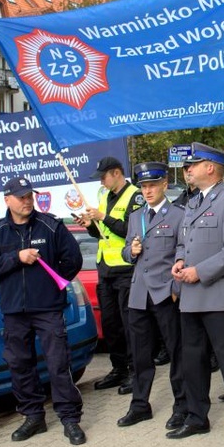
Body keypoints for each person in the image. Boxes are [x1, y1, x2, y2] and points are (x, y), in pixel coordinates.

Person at [0, 178, 86, 445]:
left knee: (58, 363)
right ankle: (33, 417)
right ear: (7, 200)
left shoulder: (51, 225)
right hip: (14, 311)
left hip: (48, 308)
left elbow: (73, 259)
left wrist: (54, 286)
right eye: (21, 196)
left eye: (29, 196)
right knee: (20, 365)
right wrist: (16, 258)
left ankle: (70, 419)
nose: (27, 200)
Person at [168, 142, 224, 447]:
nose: (187, 170)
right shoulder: (192, 202)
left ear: (210, 168)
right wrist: (179, 260)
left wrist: (199, 271)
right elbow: (184, 242)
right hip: (191, 297)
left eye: (192, 165)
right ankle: (196, 417)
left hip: (219, 297)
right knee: (193, 361)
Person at [116, 162, 187, 431]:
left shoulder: (178, 214)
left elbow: (184, 251)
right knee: (140, 354)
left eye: (152, 185)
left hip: (165, 293)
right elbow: (125, 252)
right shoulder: (136, 216)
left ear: (164, 185)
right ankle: (139, 405)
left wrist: (175, 290)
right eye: (144, 186)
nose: (147, 191)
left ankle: (182, 405)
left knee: (176, 351)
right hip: (138, 294)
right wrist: (130, 252)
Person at [79, 156, 144, 393]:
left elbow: (131, 230)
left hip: (126, 270)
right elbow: (101, 234)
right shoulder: (104, 197)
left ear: (117, 173)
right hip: (105, 269)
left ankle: (135, 371)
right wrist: (88, 223)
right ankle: (118, 369)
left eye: (104, 177)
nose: (101, 182)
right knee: (110, 324)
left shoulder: (135, 195)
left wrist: (103, 217)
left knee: (130, 325)